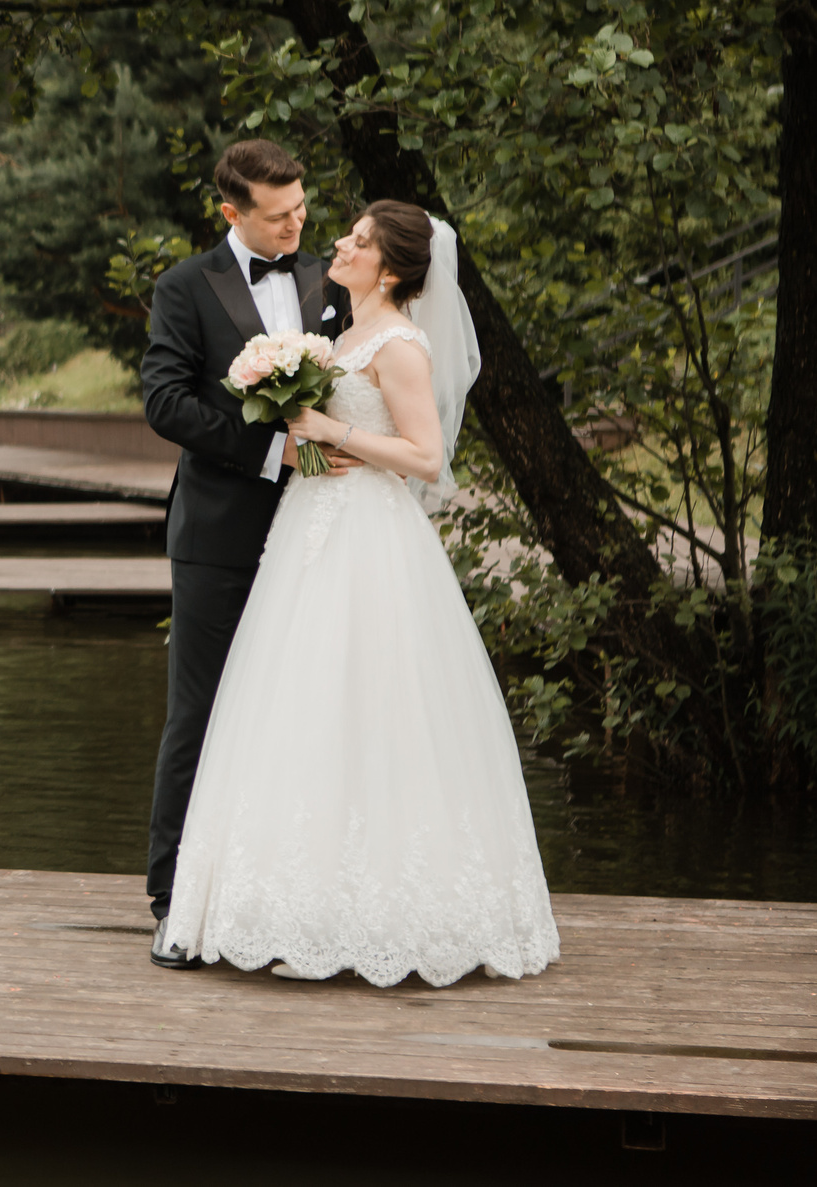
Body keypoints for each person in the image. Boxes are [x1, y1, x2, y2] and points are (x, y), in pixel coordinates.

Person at [157, 200, 559, 985]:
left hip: (372, 543)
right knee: (296, 708)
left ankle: (393, 907)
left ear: (395, 268)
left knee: (375, 711)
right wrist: (307, 450)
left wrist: (327, 430)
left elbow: (423, 455)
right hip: (311, 529)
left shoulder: (402, 344)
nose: (340, 241)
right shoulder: (340, 336)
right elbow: (329, 452)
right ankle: (291, 902)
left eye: (361, 240)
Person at [138, 140, 350, 968]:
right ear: (232, 212)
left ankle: (288, 894)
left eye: (302, 206)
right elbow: (166, 401)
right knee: (199, 712)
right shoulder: (185, 287)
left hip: (323, 528)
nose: (299, 223)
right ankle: (172, 899)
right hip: (220, 533)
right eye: (279, 213)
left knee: (307, 712)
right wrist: (271, 455)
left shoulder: (327, 275)